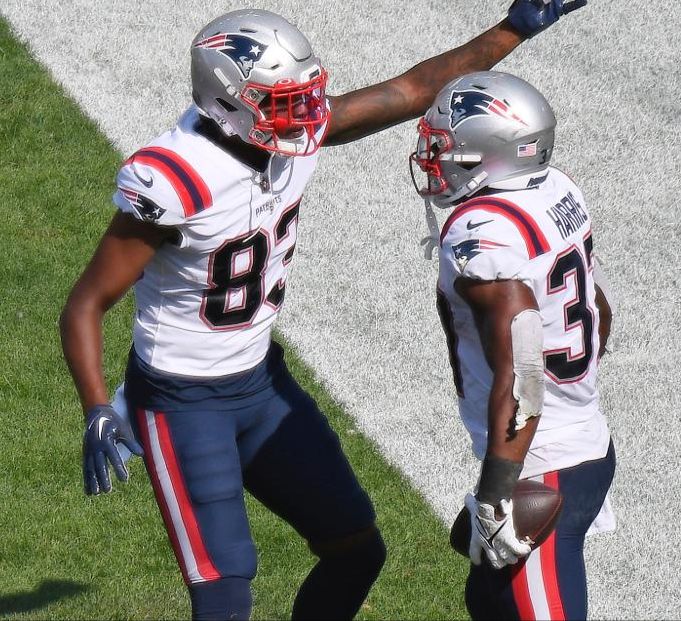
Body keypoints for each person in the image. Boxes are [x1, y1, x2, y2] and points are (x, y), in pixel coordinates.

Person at [60, 3, 587, 620]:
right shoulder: (175, 177)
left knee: (355, 550)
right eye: (283, 102)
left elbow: (415, 89)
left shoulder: (287, 137)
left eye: (303, 97)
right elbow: (85, 305)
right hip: (181, 401)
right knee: (224, 593)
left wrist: (515, 28)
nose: (306, 116)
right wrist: (98, 405)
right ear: (229, 102)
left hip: (260, 383)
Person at [410, 70, 615, 620]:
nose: (436, 157)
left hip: (541, 461)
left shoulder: (484, 231)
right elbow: (598, 305)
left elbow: (524, 372)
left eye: (448, 146)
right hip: (583, 437)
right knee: (489, 603)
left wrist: (498, 490)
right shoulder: (557, 189)